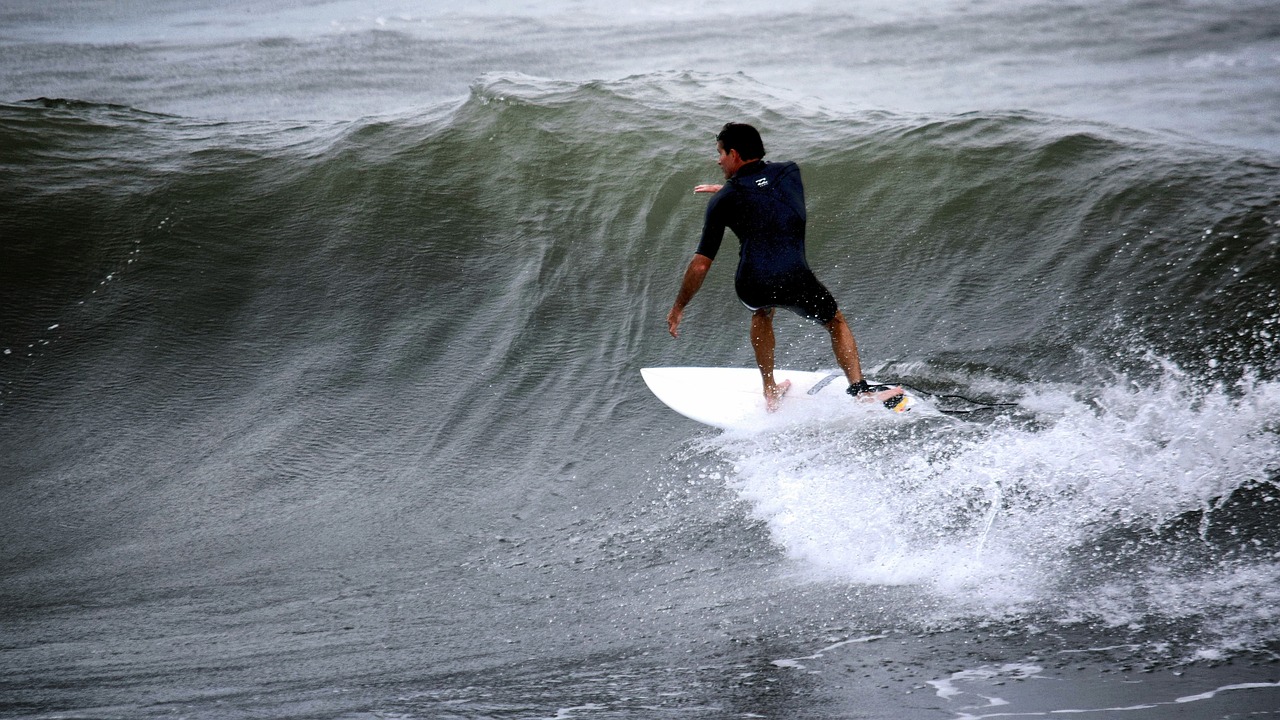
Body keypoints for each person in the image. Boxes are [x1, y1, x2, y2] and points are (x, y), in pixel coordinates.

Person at [665, 122, 902, 412]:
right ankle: (860, 391)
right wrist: (730, 191)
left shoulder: (724, 200)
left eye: (721, 153)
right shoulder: (790, 171)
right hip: (795, 278)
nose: (718, 160)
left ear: (735, 154)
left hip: (753, 284)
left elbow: (701, 266)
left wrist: (679, 307)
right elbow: (767, 194)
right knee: (835, 322)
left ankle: (770, 389)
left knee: (762, 313)